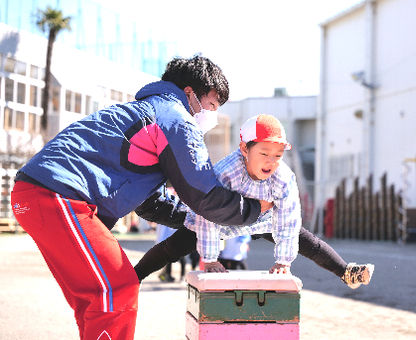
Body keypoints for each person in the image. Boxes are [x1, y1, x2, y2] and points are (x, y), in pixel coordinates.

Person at [10, 55, 273, 340]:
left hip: (36, 194)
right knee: (117, 290)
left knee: (97, 299)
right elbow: (203, 192)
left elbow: (150, 203)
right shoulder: (176, 119)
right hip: (58, 194)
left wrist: (193, 221)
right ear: (190, 94)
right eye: (211, 105)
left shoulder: (147, 113)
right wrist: (253, 209)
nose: (211, 115)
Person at [134, 114, 374, 289]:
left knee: (308, 241)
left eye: (278, 155)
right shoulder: (225, 172)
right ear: (244, 149)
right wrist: (209, 258)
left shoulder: (284, 178)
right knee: (173, 247)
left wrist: (283, 261)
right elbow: (207, 214)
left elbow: (289, 221)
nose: (271, 161)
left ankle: (346, 272)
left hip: (264, 221)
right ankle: (132, 278)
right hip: (221, 220)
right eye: (264, 153)